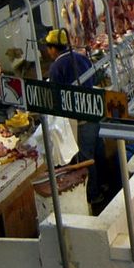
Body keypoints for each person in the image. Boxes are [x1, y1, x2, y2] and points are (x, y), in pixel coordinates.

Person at [43, 29, 106, 205]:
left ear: (54, 49)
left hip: (80, 120)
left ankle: (94, 196)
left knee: (86, 159)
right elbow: (94, 79)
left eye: (48, 48)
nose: (47, 52)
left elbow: (54, 99)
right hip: (94, 113)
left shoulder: (56, 68)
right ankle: (106, 185)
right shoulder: (82, 58)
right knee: (98, 151)